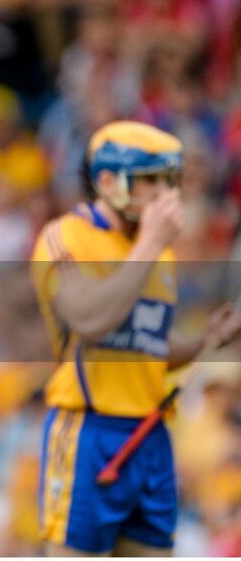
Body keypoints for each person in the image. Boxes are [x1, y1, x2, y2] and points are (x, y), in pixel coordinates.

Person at [30, 120, 241, 557]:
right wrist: (148, 245)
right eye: (151, 181)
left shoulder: (159, 251)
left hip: (151, 434)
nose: (166, 195)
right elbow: (90, 320)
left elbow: (149, 349)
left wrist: (208, 338)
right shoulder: (66, 236)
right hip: (89, 430)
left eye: (170, 181)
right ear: (108, 181)